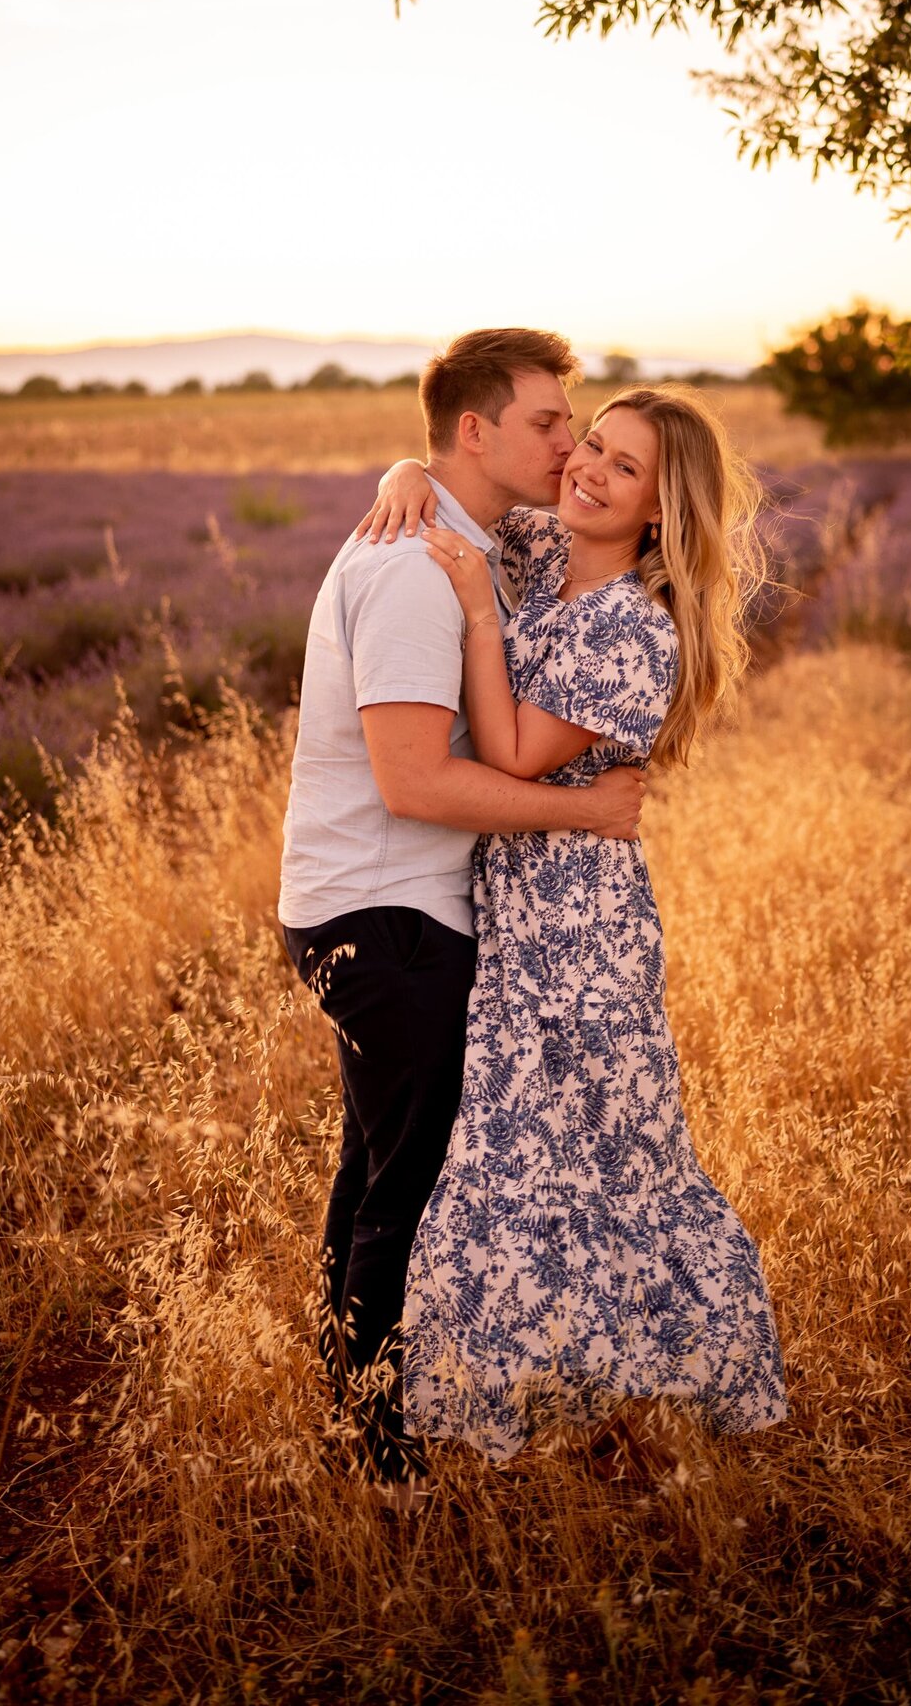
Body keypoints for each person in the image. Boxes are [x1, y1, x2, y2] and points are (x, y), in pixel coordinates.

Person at [361, 385, 788, 1464]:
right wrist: (401, 475)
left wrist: (468, 607)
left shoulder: (633, 630)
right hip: (515, 908)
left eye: (624, 467)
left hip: (582, 930)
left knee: (608, 1155)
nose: (589, 467)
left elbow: (508, 753)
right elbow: (460, 494)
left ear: (660, 510)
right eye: (591, 442)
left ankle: (678, 1380)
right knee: (519, 1156)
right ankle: (548, 1396)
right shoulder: (550, 551)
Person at [277, 328, 646, 1501]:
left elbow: (615, 538)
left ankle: (356, 1412)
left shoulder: (463, 537)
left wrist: (409, 470)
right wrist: (582, 815)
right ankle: (384, 1462)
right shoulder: (406, 571)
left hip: (386, 908)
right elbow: (414, 782)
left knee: (377, 1170)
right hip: (385, 917)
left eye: (577, 425)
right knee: (409, 1186)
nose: (570, 443)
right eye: (549, 421)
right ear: (477, 431)